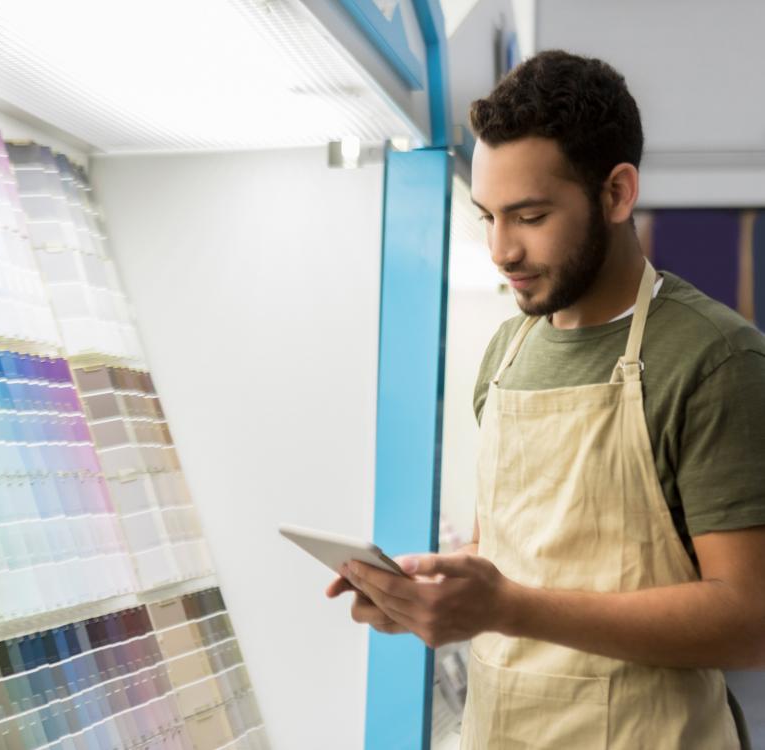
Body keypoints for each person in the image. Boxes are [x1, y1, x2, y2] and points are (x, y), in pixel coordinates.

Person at [325, 50, 765, 749]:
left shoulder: (714, 358)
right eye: (488, 217)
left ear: (617, 194)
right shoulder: (507, 353)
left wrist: (510, 608)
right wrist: (430, 594)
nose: (501, 249)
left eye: (529, 216)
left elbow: (748, 622)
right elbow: (508, 548)